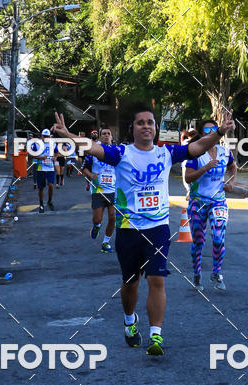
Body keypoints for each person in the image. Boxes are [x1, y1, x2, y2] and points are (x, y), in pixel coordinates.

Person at [52, 105, 235, 357]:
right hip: (129, 229)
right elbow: (92, 148)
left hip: (158, 228)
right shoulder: (121, 153)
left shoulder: (167, 153)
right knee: (130, 282)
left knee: (157, 279)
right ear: (133, 128)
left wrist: (220, 133)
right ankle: (129, 321)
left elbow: (197, 147)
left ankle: (155, 335)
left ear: (155, 128)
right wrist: (67, 135)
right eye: (141, 122)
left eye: (150, 122)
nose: (146, 126)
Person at [185, 119, 237, 292]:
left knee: (218, 237)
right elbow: (188, 178)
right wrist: (205, 168)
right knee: (198, 240)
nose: (211, 132)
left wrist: (231, 182)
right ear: (201, 133)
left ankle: (216, 272)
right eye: (207, 129)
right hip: (197, 202)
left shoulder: (224, 152)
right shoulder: (195, 154)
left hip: (218, 200)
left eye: (214, 128)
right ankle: (197, 273)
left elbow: (233, 167)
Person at [82, 127, 117, 252]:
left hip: (114, 191)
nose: (106, 136)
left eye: (109, 134)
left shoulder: (117, 151)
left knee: (113, 217)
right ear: (100, 137)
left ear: (112, 137)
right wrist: (91, 176)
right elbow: (84, 168)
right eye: (104, 134)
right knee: (98, 219)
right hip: (98, 191)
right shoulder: (94, 152)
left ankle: (106, 243)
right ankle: (96, 226)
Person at [29, 128, 57, 213]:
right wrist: (40, 157)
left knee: (51, 185)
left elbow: (57, 153)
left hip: (50, 168)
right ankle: (41, 204)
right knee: (41, 187)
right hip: (40, 168)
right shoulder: (37, 144)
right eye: (44, 136)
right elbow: (31, 155)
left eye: (47, 136)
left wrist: (55, 158)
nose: (46, 138)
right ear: (41, 136)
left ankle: (50, 201)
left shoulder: (53, 143)